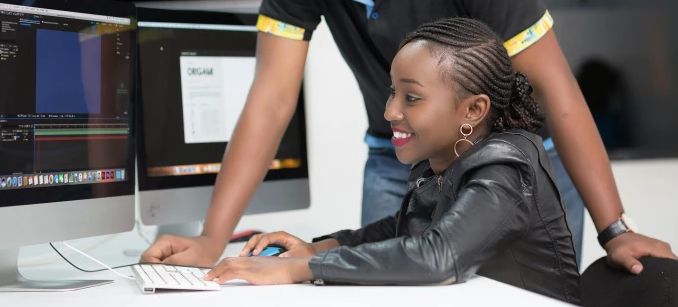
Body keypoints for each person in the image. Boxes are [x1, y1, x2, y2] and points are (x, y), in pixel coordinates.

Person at [141, 0, 675, 273]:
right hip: (398, 157)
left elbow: (555, 89)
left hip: (503, 163)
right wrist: (213, 239)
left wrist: (614, 229)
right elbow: (272, 97)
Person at [203, 18, 582, 305]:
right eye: (392, 92)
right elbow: (408, 227)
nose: (390, 112)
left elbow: (439, 255)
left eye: (411, 98)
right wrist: (317, 249)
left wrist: (295, 268)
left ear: (473, 110)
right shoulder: (445, 156)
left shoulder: (505, 171)